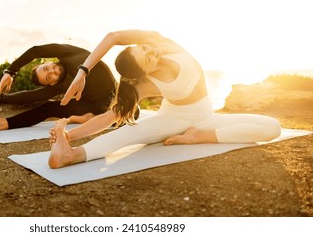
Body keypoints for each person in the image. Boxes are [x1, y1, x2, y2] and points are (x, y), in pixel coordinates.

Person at [48, 30, 281, 168]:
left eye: (144, 48)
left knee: (272, 127)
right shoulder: (144, 84)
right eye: (147, 59)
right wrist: (69, 135)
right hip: (172, 119)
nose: (152, 52)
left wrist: (83, 72)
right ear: (144, 74)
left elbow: (113, 36)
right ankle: (71, 155)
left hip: (206, 118)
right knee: (129, 133)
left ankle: (198, 137)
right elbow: (109, 118)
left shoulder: (160, 42)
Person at [0, 43, 119, 132]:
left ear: (48, 61)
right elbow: (32, 95)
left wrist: (10, 71)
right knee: (49, 107)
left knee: (132, 113)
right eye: (48, 77)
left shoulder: (68, 53)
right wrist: (1, 98)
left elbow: (36, 51)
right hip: (94, 106)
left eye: (47, 68)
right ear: (51, 84)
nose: (52, 72)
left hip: (117, 96)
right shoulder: (59, 86)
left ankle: (89, 118)